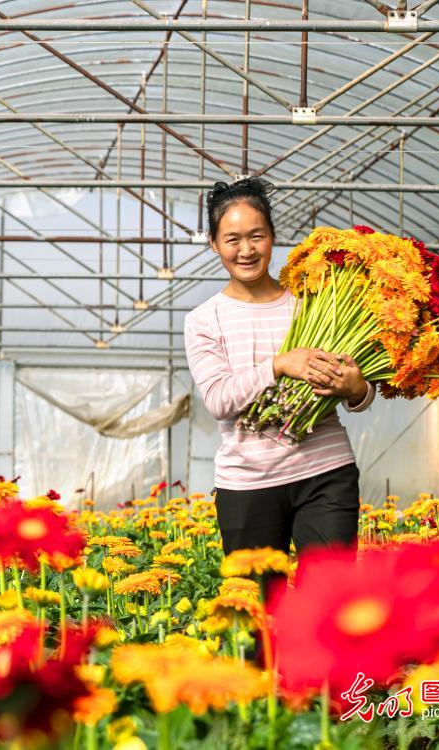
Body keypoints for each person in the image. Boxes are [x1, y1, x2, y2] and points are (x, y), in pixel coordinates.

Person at [183, 178, 374, 560]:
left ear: (272, 237)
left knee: (326, 600)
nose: (247, 250)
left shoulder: (314, 305)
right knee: (254, 607)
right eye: (232, 239)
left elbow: (360, 390)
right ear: (214, 243)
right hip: (247, 482)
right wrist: (280, 365)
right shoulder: (204, 320)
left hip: (326, 472)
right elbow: (219, 400)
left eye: (257, 236)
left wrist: (357, 389)